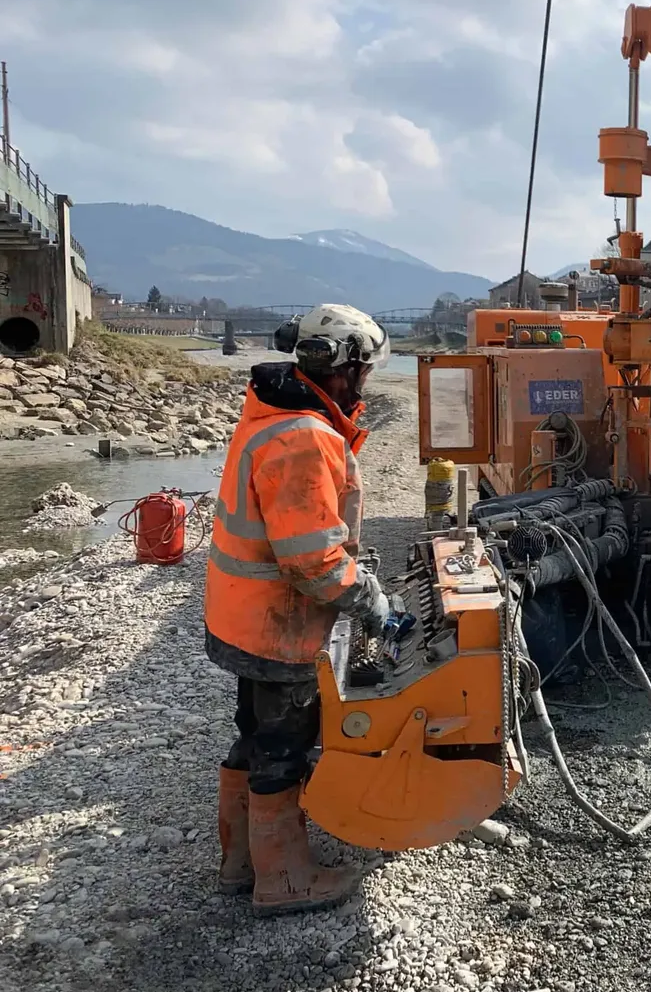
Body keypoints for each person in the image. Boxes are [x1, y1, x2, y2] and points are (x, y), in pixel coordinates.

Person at [204, 304, 393, 915]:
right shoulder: (304, 437)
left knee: (254, 732)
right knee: (284, 746)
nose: (365, 382)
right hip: (277, 624)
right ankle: (283, 880)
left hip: (240, 614)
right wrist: (371, 601)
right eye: (364, 370)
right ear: (345, 367)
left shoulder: (272, 409)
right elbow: (313, 562)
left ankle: (239, 862)